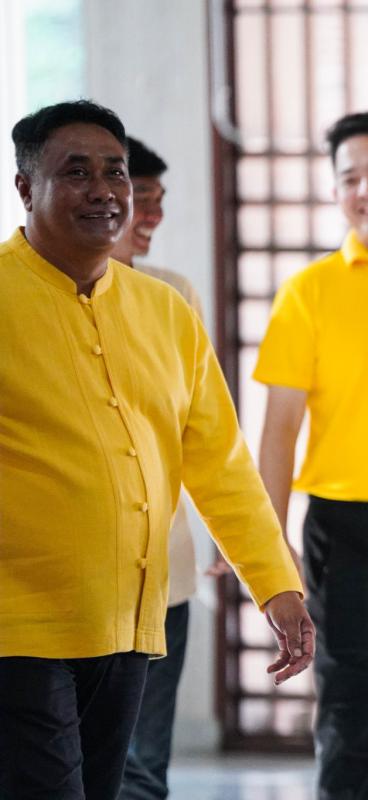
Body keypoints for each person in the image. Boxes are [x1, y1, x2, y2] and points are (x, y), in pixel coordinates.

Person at [0, 100, 312, 800]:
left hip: (131, 621)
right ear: (26, 188)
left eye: (115, 173)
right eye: (76, 172)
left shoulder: (165, 311)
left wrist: (275, 582)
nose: (104, 191)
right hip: (17, 625)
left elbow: (219, 462)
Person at [253, 111, 368, 799]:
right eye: (349, 178)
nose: (366, 190)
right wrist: (267, 545)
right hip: (347, 524)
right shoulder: (308, 291)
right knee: (350, 701)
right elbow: (278, 430)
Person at [103, 134, 203, 800]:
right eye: (142, 197)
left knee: (144, 761)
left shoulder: (172, 293)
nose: (153, 215)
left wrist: (237, 539)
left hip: (166, 567)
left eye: (158, 200)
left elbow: (204, 431)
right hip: (67, 578)